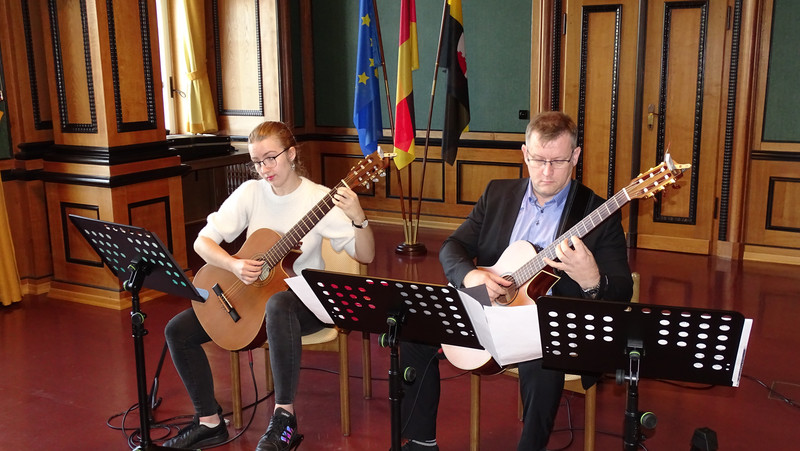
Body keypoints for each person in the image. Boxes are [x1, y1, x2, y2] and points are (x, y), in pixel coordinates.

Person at [399, 111, 633, 451]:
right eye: (538, 160)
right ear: (525, 153)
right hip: (489, 309)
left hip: (548, 323)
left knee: (542, 354)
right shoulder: (498, 194)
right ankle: (421, 440)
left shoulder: (598, 214)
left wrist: (592, 279)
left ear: (576, 157)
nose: (547, 172)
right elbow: (453, 247)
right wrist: (472, 274)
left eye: (558, 161)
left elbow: (622, 290)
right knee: (413, 329)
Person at [164, 121, 375, 450]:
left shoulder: (320, 200)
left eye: (271, 158)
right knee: (177, 330)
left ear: (291, 154)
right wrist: (234, 264)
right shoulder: (251, 192)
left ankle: (284, 418)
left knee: (279, 304)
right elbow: (203, 243)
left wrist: (359, 217)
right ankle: (209, 421)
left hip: (305, 303)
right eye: (257, 161)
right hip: (250, 297)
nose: (264, 169)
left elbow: (367, 254)